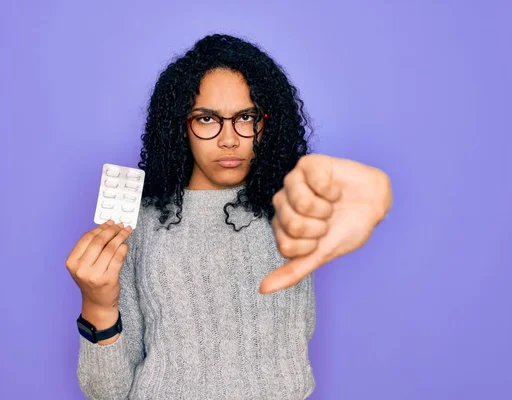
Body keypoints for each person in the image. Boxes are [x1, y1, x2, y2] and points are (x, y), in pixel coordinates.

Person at [65, 34, 391, 400]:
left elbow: (362, 193)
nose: (229, 139)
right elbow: (107, 393)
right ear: (179, 125)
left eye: (246, 117)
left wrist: (377, 190)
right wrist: (97, 303)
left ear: (267, 122)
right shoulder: (136, 224)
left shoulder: (292, 204)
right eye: (207, 119)